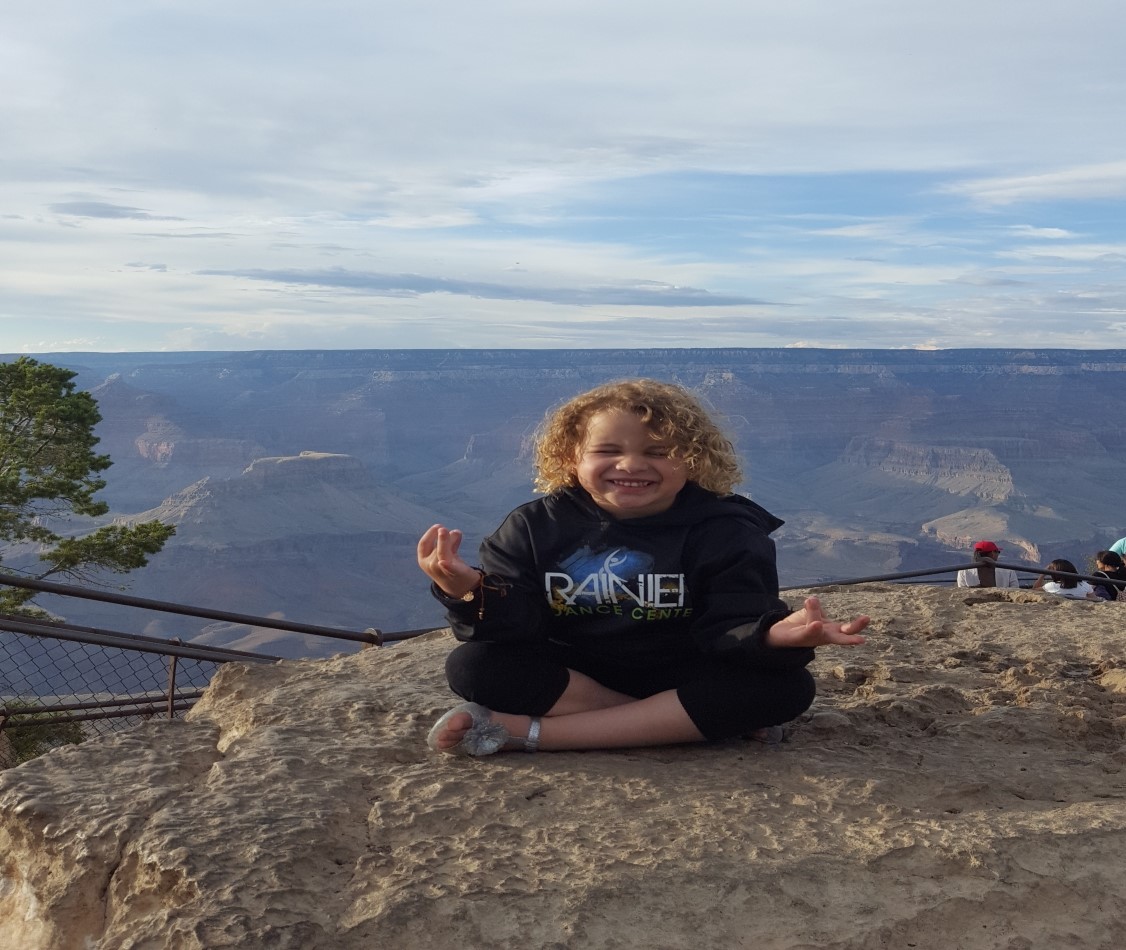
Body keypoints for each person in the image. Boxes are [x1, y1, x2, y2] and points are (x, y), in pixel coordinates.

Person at [416, 378, 870, 757]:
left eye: (657, 451)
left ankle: (526, 733)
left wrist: (772, 637)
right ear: (570, 458)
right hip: (579, 675)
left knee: (786, 689)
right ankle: (675, 724)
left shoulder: (725, 529)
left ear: (693, 459)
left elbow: (731, 624)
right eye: (607, 450)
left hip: (683, 667)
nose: (631, 464)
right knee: (474, 667)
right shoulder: (535, 526)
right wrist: (470, 592)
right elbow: (519, 627)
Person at [956, 540, 1020, 589]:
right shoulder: (1009, 571)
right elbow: (1015, 589)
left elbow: (962, 591)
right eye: (998, 552)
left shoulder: (963, 572)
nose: (998, 554)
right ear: (992, 553)